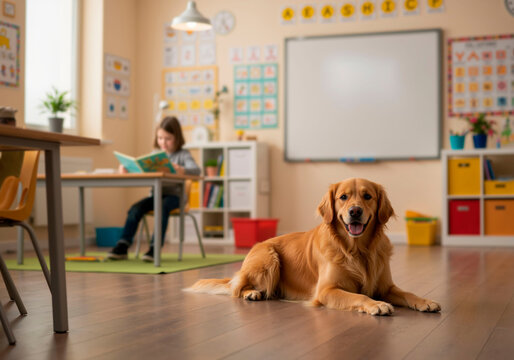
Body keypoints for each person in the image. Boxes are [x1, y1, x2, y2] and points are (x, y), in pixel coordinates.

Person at [107, 116, 201, 262]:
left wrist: (181, 169)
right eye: (160, 138)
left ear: (177, 137)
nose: (163, 142)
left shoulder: (183, 154)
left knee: (162, 207)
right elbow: (142, 171)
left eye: (168, 138)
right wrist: (127, 170)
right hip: (156, 196)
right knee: (135, 209)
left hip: (175, 198)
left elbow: (196, 171)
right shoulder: (154, 155)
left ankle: (154, 248)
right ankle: (123, 245)